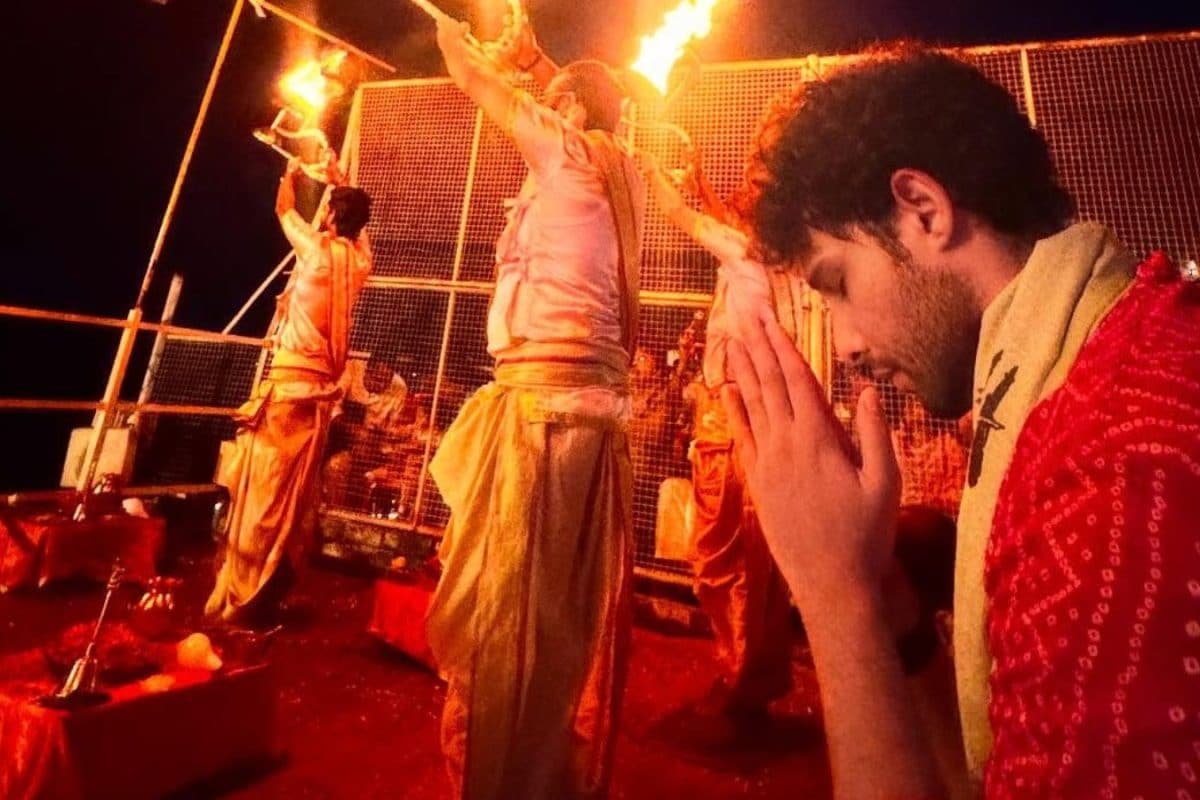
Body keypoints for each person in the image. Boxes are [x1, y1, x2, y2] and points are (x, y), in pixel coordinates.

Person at [724, 44, 1200, 798]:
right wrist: (893, 615)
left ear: (923, 210)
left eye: (837, 283)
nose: (843, 342)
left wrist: (834, 596)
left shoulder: (1112, 460)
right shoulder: (1097, 362)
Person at [425, 13, 644, 800]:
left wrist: (463, 37)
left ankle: (498, 778)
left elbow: (474, 81)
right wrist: (534, 55)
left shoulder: (571, 154)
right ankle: (542, 770)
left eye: (552, 100)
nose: (540, 108)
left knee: (503, 616)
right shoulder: (619, 169)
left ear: (572, 116)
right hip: (584, 414)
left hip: (542, 421)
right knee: (555, 621)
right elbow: (572, 93)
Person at [642, 152, 811, 748]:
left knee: (721, 553)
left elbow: (680, 215)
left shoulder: (742, 252)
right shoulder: (782, 256)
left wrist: (649, 166)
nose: (736, 199)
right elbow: (721, 222)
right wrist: (703, 178)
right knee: (757, 558)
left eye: (748, 192)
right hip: (762, 410)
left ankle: (740, 682)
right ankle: (751, 680)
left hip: (731, 414)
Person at [206, 158, 372, 626]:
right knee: (292, 502)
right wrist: (340, 184)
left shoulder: (315, 251)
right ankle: (270, 593)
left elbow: (282, 209)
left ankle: (243, 593)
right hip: (319, 399)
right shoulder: (360, 263)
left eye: (329, 212)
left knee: (261, 494)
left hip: (287, 391)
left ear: (333, 218)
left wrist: (291, 172)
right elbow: (359, 235)